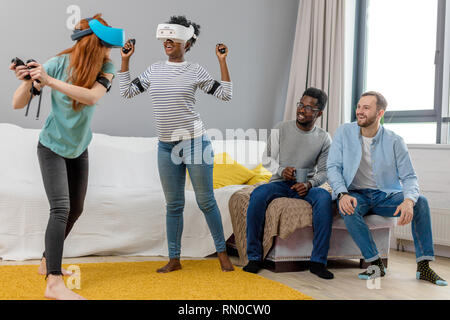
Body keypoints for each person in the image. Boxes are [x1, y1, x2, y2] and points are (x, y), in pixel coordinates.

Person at [10, 14, 123, 299]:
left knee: (76, 209)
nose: (109, 52)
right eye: (105, 46)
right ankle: (54, 283)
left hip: (78, 147)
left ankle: (47, 261)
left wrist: (50, 81)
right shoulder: (57, 63)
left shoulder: (107, 67)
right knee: (60, 208)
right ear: (90, 45)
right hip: (51, 147)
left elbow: (92, 97)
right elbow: (17, 103)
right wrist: (30, 80)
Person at [118, 15, 234, 273]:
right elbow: (127, 91)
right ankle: (174, 259)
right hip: (166, 147)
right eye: (165, 37)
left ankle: (223, 254)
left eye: (174, 37)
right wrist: (126, 60)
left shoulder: (195, 71)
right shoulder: (154, 70)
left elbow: (225, 94)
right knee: (174, 205)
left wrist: (222, 62)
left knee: (206, 201)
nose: (168, 41)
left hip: (195, 143)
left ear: (188, 42)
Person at [327, 91, 447, 286]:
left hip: (385, 195)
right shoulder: (343, 132)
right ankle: (375, 263)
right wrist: (342, 193)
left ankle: (424, 267)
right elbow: (333, 167)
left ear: (379, 113)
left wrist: (408, 201)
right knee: (347, 208)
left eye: (366, 108)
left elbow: (409, 177)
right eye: (358, 107)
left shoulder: (395, 141)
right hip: (356, 193)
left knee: (421, 202)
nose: (360, 111)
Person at [243, 87, 334, 279]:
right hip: (280, 183)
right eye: (301, 104)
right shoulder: (281, 128)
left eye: (309, 108)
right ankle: (254, 257)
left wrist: (310, 184)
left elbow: (325, 171)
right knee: (258, 195)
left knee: (325, 197)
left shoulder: (324, 138)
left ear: (319, 113)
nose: (302, 110)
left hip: (306, 186)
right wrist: (281, 170)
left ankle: (318, 262)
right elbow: (266, 158)